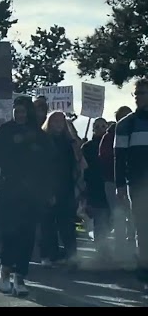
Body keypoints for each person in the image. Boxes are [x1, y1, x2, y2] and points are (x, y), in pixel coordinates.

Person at [0, 95, 55, 296]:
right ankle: (4, 272)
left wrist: (48, 191)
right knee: (8, 233)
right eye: (17, 110)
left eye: (24, 111)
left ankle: (20, 276)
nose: (20, 114)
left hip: (32, 194)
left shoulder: (39, 136)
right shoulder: (3, 131)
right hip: (7, 190)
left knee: (27, 236)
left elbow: (48, 167)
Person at [114, 78, 148, 292]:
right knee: (143, 230)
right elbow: (120, 157)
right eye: (138, 94)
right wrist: (119, 186)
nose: (141, 97)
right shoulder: (125, 124)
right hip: (138, 185)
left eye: (144, 93)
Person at [39, 111, 81, 267]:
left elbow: (73, 166)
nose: (58, 124)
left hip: (66, 188)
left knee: (67, 224)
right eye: (55, 121)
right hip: (48, 187)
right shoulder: (43, 141)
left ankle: (72, 256)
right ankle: (49, 255)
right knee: (48, 224)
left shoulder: (68, 143)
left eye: (61, 122)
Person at [99, 105, 134, 261]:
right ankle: (120, 251)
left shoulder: (136, 133)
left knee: (134, 218)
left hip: (133, 182)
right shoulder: (110, 136)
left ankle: (133, 251)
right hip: (112, 182)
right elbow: (105, 157)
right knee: (119, 217)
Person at [81, 117, 110, 260]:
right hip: (94, 186)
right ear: (93, 129)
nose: (100, 129)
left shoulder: (111, 144)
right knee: (99, 219)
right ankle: (101, 250)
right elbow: (84, 168)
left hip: (109, 184)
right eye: (97, 126)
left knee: (110, 218)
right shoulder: (87, 147)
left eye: (103, 126)